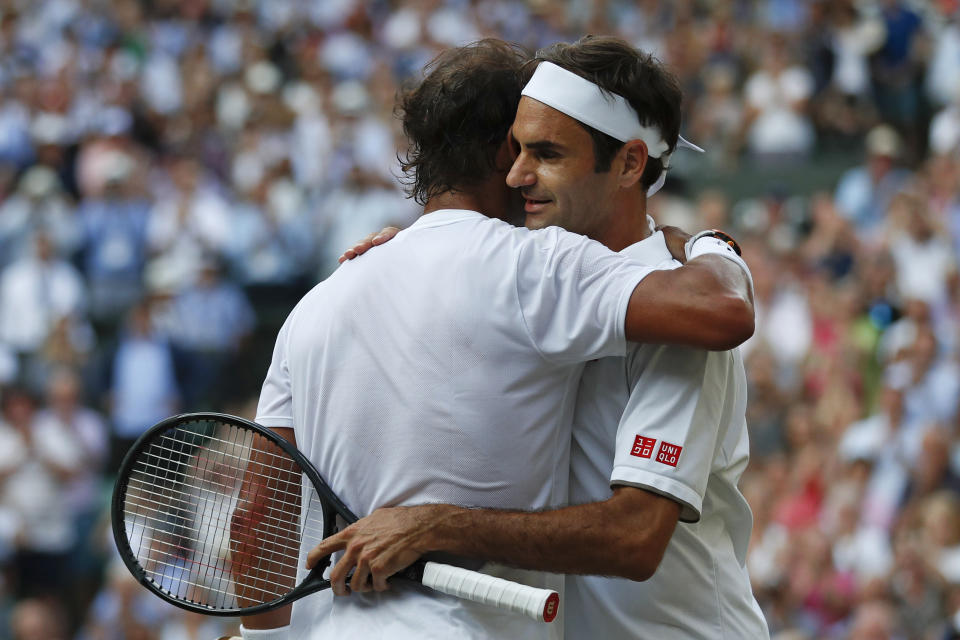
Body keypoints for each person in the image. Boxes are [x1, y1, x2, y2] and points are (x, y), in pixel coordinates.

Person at [240, 39, 753, 639]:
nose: (518, 175)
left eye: (546, 152)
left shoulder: (668, 313)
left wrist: (712, 245)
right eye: (516, 150)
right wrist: (413, 252)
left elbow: (636, 538)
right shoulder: (528, 275)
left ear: (629, 164)